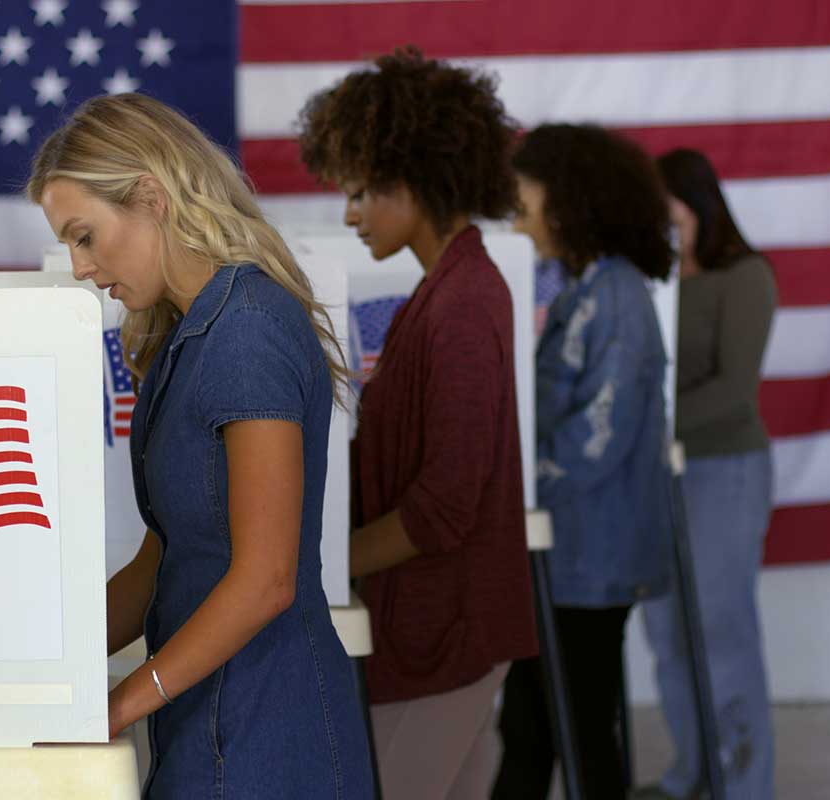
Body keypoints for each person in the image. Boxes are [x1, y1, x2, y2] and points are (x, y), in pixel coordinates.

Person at [27, 93, 374, 799]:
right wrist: (40, 667)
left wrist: (120, 704)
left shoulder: (246, 330)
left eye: (85, 235)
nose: (80, 267)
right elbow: (163, 561)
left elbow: (266, 579)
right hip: (206, 722)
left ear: (151, 196)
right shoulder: (189, 335)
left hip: (271, 732)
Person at [298, 49, 538, 800]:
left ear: (417, 181)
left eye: (365, 190)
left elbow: (444, 506)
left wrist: (321, 571)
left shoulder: (461, 304)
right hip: (441, 622)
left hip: (450, 624)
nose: (349, 212)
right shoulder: (445, 292)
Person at [492, 124, 675, 800]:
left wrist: (506, 484)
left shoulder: (617, 298)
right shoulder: (583, 290)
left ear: (569, 203)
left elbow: (597, 439)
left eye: (525, 203)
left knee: (576, 731)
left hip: (588, 558)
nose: (518, 219)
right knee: (537, 726)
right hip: (566, 554)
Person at [633, 148, 779, 800]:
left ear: (698, 203)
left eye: (669, 207)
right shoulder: (646, 279)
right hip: (656, 478)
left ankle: (744, 785)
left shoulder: (745, 276)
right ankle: (695, 773)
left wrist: (645, 427)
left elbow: (735, 391)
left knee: (722, 631)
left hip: (724, 471)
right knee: (667, 636)